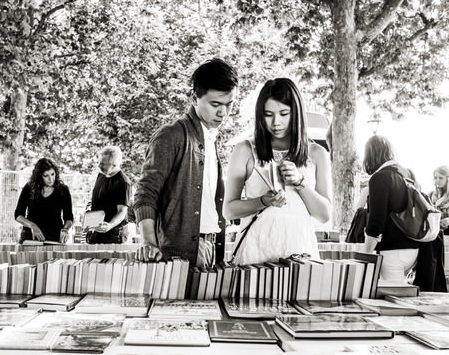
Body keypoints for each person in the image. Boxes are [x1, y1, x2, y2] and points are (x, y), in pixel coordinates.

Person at [133, 58, 238, 267]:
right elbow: (145, 192)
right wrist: (148, 242)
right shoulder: (172, 135)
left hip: (211, 248)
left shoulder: (210, 138)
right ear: (194, 98)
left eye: (229, 104)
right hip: (178, 253)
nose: (223, 113)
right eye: (215, 104)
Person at [223, 78, 332, 264]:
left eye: (284, 113)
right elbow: (228, 211)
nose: (276, 122)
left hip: (300, 253)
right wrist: (263, 201)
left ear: (296, 113)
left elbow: (324, 215)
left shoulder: (317, 153)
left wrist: (300, 182)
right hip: (255, 251)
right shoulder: (245, 150)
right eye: (268, 114)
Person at [362, 135, 421, 282]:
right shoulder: (408, 173)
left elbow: (376, 222)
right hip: (415, 249)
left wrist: (366, 254)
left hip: (392, 251)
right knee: (402, 296)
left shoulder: (379, 178)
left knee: (392, 300)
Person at [14, 157, 74, 243]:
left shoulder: (63, 190)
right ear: (39, 176)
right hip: (30, 237)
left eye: (53, 174)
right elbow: (18, 215)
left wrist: (65, 229)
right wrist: (32, 226)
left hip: (54, 237)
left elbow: (69, 217)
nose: (51, 179)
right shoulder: (29, 188)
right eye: (46, 176)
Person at [86, 146, 131, 244]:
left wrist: (109, 225)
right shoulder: (101, 176)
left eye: (103, 164)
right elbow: (97, 200)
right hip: (96, 231)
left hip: (113, 234)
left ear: (114, 164)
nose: (99, 166)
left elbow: (122, 212)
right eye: (99, 162)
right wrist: (87, 214)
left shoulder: (122, 182)